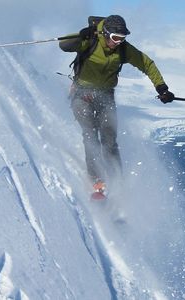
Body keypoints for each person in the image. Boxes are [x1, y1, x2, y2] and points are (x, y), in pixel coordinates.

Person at [59, 15, 175, 196]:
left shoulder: (123, 50)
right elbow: (63, 45)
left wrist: (161, 88)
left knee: (109, 139)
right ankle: (97, 181)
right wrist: (81, 35)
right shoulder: (89, 41)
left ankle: (117, 180)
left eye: (122, 39)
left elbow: (147, 64)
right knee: (90, 135)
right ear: (105, 33)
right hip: (82, 95)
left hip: (106, 96)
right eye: (115, 38)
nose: (118, 42)